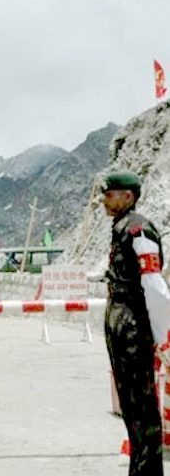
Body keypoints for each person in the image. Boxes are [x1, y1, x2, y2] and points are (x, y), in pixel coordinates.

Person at [102, 170, 170, 475]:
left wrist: (164, 334)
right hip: (122, 325)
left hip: (133, 328)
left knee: (142, 409)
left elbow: (153, 285)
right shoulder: (121, 228)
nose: (105, 199)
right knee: (131, 409)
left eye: (111, 193)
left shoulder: (139, 230)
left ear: (128, 196)